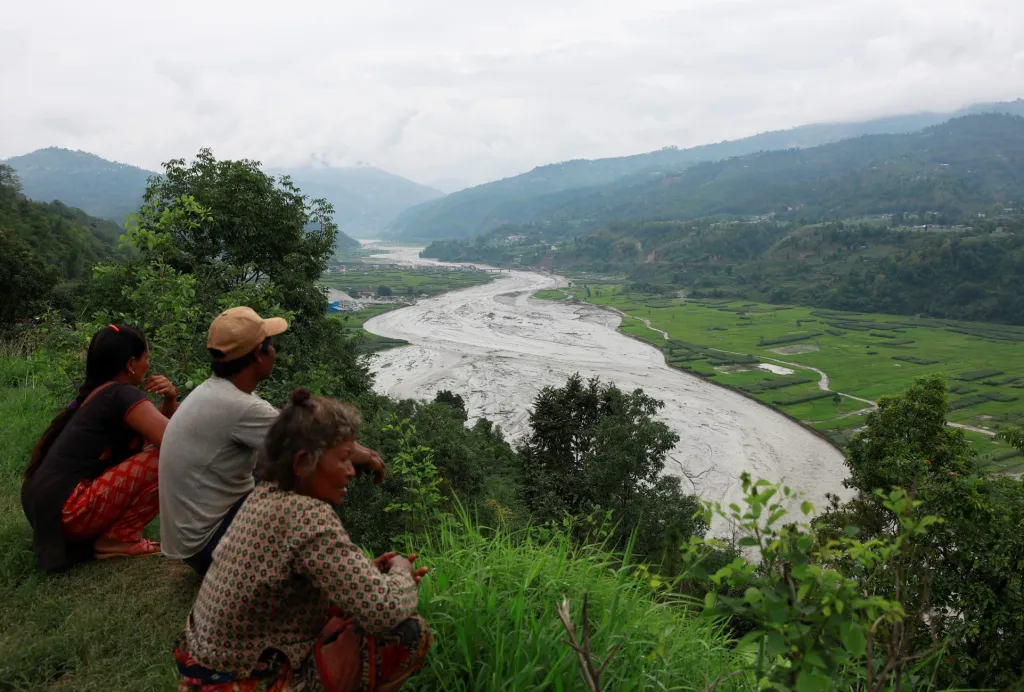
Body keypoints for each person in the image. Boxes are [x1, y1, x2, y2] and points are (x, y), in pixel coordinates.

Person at [174, 388, 431, 692]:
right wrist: (401, 572)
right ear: (302, 463)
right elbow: (385, 610)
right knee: (411, 632)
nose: (351, 472)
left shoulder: (265, 495)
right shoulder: (307, 516)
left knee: (349, 610)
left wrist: (365, 575)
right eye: (344, 460)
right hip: (240, 680)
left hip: (201, 672)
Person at [159, 306, 385, 576]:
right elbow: (316, 442)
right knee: (306, 474)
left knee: (280, 467)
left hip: (192, 540)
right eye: (271, 346)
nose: (275, 352)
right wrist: (369, 458)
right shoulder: (240, 406)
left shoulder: (213, 392)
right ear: (258, 355)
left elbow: (288, 427)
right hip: (209, 546)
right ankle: (344, 572)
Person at [21, 324, 177, 571]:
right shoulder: (122, 394)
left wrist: (170, 399)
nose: (149, 365)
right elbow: (173, 443)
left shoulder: (97, 395)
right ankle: (118, 539)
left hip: (47, 512)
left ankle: (110, 535)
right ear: (130, 365)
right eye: (146, 358)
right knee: (170, 458)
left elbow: (153, 438)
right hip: (69, 511)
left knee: (161, 454)